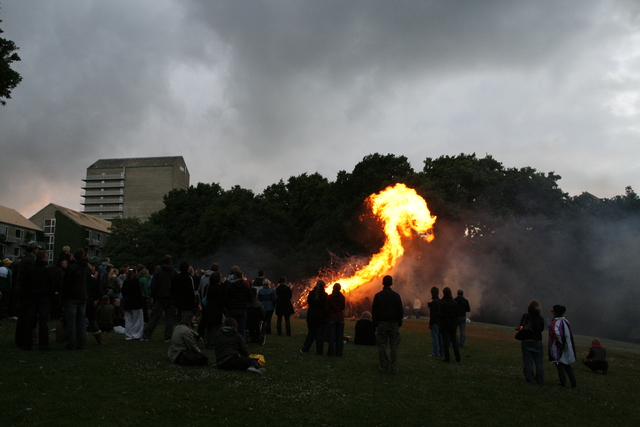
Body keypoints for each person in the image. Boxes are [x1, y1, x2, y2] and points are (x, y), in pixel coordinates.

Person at [23, 251, 57, 351]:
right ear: (44, 258)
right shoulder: (48, 270)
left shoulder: (31, 269)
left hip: (32, 297)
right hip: (44, 298)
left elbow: (25, 283)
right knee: (43, 322)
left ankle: (27, 343)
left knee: (30, 321)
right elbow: (53, 284)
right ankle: (43, 344)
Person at [372, 276, 404, 373]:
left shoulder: (378, 296)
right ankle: (394, 368)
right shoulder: (396, 296)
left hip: (382, 323)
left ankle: (384, 366)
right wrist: (399, 321)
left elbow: (374, 311)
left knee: (382, 346)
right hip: (393, 323)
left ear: (383, 283)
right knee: (394, 346)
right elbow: (400, 310)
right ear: (391, 283)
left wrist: (375, 323)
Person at [142, 255, 177, 342]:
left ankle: (147, 335)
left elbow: (153, 285)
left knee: (154, 317)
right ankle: (167, 337)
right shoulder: (174, 273)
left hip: (159, 297)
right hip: (171, 298)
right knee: (169, 318)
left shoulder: (158, 272)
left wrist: (154, 296)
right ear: (171, 262)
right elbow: (176, 285)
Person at [61, 248, 90, 350]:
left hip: (72, 296)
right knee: (81, 320)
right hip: (83, 296)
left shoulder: (72, 268)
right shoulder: (87, 269)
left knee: (71, 321)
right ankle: (81, 342)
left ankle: (72, 343)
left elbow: (67, 283)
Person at [517, 300, 545, 384]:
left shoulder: (526, 316)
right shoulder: (541, 318)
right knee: (539, 362)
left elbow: (521, 325)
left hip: (526, 340)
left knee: (528, 361)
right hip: (537, 341)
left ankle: (530, 379)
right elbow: (542, 329)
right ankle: (540, 380)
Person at [549, 305, 577, 388]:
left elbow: (557, 333)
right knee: (567, 364)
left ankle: (563, 382)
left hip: (559, 347)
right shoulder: (566, 321)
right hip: (568, 346)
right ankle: (573, 382)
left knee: (559, 363)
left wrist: (560, 343)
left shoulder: (556, 322)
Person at [224, 268, 252, 341]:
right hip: (243, 309)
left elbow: (226, 298)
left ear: (234, 277)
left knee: (231, 328)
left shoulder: (230, 287)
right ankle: (242, 343)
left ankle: (231, 342)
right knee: (242, 329)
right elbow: (250, 299)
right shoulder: (246, 287)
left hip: (232, 309)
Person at [300, 280, 328, 354]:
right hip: (321, 317)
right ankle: (319, 351)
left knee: (311, 333)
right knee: (319, 335)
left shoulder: (311, 293)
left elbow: (309, 303)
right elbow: (326, 306)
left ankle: (305, 349)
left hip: (311, 316)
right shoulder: (325, 295)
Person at [122, 268, 144, 340]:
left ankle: (128, 335)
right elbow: (138, 292)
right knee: (137, 320)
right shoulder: (135, 281)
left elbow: (123, 292)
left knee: (128, 320)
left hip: (127, 302)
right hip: (136, 303)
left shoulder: (125, 281)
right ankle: (136, 335)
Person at [439, 287, 461, 363]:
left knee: (445, 342)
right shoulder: (454, 303)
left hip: (444, 324)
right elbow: (457, 314)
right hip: (452, 324)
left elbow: (440, 314)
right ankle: (458, 357)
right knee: (454, 341)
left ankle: (447, 358)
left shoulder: (442, 303)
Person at [325, 283, 346, 357]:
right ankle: (339, 353)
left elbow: (327, 308)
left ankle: (331, 353)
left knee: (331, 336)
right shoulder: (342, 297)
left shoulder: (330, 297)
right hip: (340, 318)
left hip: (332, 317)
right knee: (340, 336)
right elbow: (343, 307)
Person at [428, 286, 443, 357]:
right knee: (441, 338)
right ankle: (442, 352)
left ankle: (435, 353)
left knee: (435, 338)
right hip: (441, 322)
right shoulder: (441, 302)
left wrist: (430, 323)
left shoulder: (434, 303)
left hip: (435, 322)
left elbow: (432, 315)